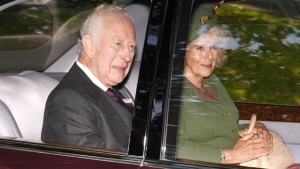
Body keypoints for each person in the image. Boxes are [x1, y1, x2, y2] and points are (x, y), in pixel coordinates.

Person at [176, 6, 273, 164]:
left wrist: (257, 127)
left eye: (214, 47)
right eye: (200, 47)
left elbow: (224, 128)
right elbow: (172, 147)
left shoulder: (212, 82)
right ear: (183, 51)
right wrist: (231, 155)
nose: (209, 56)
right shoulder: (172, 90)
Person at [41, 4, 136, 153]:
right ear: (90, 45)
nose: (128, 55)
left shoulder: (114, 91)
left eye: (131, 46)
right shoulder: (69, 100)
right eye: (118, 44)